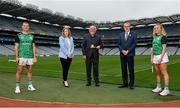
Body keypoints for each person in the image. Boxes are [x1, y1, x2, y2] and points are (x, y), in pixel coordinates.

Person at [15, 22, 37, 93]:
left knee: (30, 71)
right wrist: (17, 57)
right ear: (22, 27)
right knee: (19, 71)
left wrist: (34, 57)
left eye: (27, 26)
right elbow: (16, 47)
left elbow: (33, 47)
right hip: (22, 56)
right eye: (24, 25)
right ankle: (17, 87)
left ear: (29, 27)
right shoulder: (18, 35)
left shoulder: (32, 36)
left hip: (30, 56)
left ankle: (30, 86)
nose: (26, 27)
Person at [151, 23, 170, 96]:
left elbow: (164, 49)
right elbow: (152, 48)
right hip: (155, 56)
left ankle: (166, 89)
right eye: (155, 28)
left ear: (161, 29)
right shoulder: (154, 37)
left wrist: (161, 58)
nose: (156, 29)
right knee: (157, 73)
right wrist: (152, 58)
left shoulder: (163, 37)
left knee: (164, 73)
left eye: (157, 28)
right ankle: (159, 87)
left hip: (162, 56)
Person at [118, 22, 137, 89]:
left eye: (127, 26)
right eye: (125, 26)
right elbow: (119, 44)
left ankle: (131, 84)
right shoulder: (120, 34)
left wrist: (128, 51)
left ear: (130, 27)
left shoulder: (134, 34)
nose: (126, 27)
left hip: (130, 54)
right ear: (123, 27)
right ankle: (125, 83)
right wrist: (122, 51)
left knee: (131, 69)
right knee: (123, 69)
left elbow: (134, 44)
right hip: (122, 54)